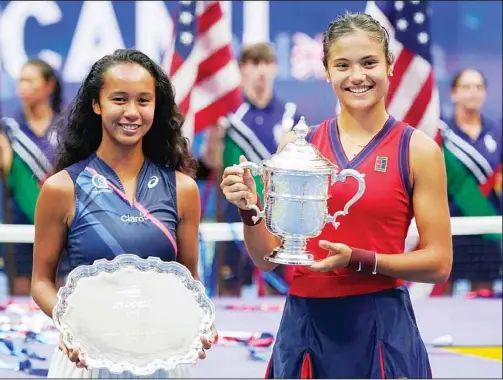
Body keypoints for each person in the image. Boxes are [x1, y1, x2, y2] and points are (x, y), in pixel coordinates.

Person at [221, 12, 452, 379]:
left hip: (381, 327)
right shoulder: (298, 147)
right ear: (326, 70)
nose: (357, 76)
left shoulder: (418, 150)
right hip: (305, 326)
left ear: (389, 66)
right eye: (342, 65)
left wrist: (359, 259)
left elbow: (439, 264)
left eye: (369, 63)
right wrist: (250, 211)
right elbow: (268, 260)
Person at [30, 49, 216, 378]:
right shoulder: (61, 188)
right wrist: (71, 324)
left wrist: (199, 322)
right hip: (85, 362)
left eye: (143, 101)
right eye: (119, 99)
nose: (132, 112)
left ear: (155, 107)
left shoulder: (184, 190)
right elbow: (41, 282)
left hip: (163, 363)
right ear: (97, 104)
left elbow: (188, 280)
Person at [200, 42, 305, 297]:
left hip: (277, 217)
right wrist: (214, 137)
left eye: (266, 63)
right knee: (227, 288)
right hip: (234, 212)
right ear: (242, 69)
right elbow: (207, 165)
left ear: (275, 68)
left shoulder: (290, 116)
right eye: (254, 63)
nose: (261, 71)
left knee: (278, 290)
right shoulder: (227, 115)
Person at [0, 58, 69, 295]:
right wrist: (2, 157)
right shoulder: (9, 127)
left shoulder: (66, 127)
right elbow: (3, 175)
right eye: (20, 81)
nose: (22, 87)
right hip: (20, 223)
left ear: (49, 86)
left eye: (30, 80)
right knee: (22, 302)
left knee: (61, 299)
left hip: (60, 225)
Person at [440, 68, 502, 296]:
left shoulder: (497, 132)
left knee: (483, 295)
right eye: (466, 87)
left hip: (487, 227)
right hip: (449, 228)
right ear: (453, 93)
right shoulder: (441, 134)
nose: (472, 93)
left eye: (478, 87)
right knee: (442, 294)